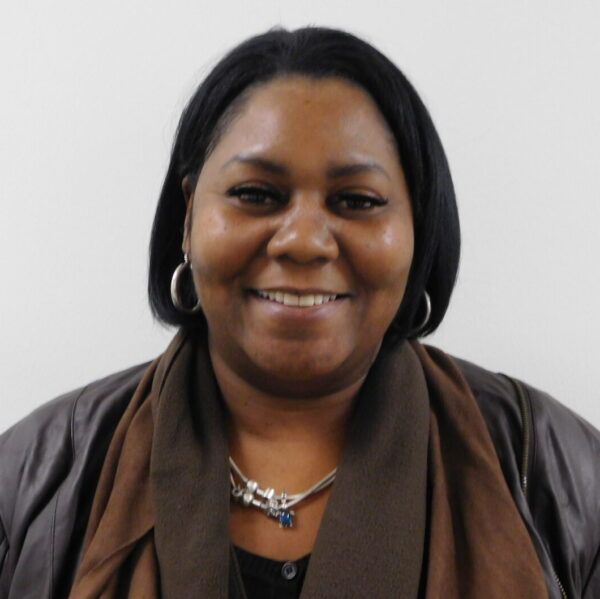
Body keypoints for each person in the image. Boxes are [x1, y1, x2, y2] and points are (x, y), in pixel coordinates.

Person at [0, 26, 598, 599]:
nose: (304, 241)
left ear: (418, 229)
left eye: (356, 201)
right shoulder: (32, 475)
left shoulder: (559, 472)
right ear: (188, 217)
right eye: (256, 195)